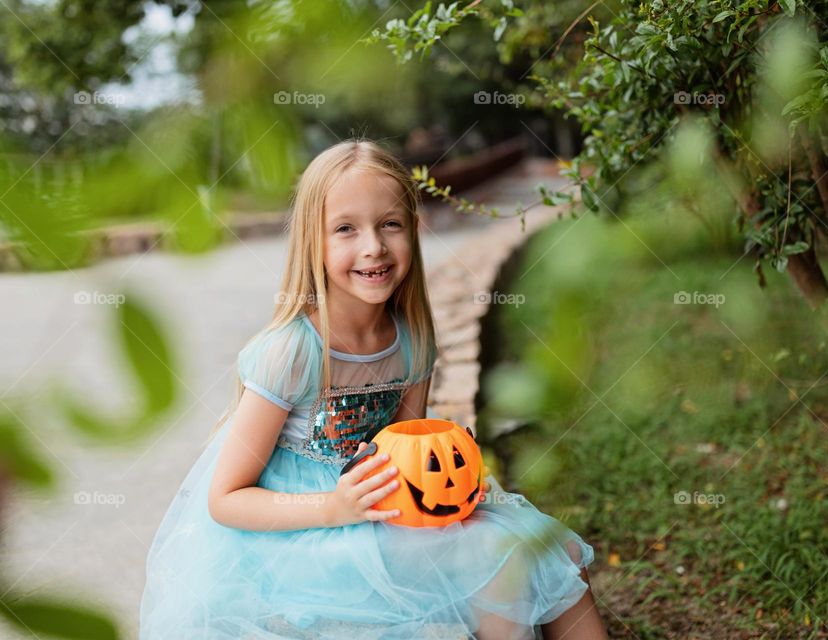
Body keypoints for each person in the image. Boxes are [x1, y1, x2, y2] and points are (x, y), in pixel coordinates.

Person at [139, 139, 608, 639]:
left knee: (545, 546)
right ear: (312, 243)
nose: (374, 247)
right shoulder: (293, 353)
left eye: (390, 224)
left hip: (380, 511)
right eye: (345, 229)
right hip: (299, 534)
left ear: (412, 230)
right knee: (490, 556)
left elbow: (411, 451)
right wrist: (333, 508)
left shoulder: (412, 343)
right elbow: (226, 498)